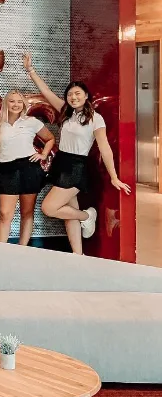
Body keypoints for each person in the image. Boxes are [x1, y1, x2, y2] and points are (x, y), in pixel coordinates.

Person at [23, 53, 131, 254]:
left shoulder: (95, 119)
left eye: (78, 94)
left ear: (86, 96)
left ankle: (87, 216)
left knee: (49, 207)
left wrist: (114, 177)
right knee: (67, 212)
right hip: (62, 163)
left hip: (77, 167)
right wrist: (31, 70)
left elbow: (105, 147)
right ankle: (77, 255)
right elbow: (46, 92)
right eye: (70, 94)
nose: (73, 97)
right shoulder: (65, 113)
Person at [0, 90, 55, 245]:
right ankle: (1, 251)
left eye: (19, 101)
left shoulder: (31, 121)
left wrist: (43, 155)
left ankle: (22, 249)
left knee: (27, 212)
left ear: (23, 104)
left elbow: (50, 139)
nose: (16, 105)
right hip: (7, 170)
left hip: (29, 168)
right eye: (12, 101)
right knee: (4, 214)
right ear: (6, 104)